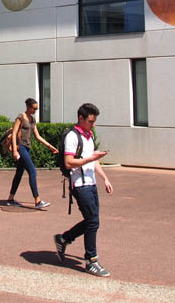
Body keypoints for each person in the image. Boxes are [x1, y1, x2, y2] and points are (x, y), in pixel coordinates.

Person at [54, 103, 113, 277]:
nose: (93, 124)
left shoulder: (89, 135)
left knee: (91, 221)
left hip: (91, 184)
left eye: (94, 121)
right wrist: (90, 158)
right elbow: (68, 162)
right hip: (79, 185)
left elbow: (94, 161)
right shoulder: (72, 136)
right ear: (81, 118)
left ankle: (63, 239)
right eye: (90, 121)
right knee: (93, 221)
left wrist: (105, 178)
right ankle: (91, 260)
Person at [7, 97, 58, 209]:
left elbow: (38, 136)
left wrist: (50, 147)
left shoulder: (32, 120)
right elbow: (14, 133)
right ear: (28, 107)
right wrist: (15, 150)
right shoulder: (20, 117)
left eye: (37, 109)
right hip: (21, 148)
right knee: (32, 171)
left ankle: (10, 199)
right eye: (34, 108)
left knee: (19, 173)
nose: (36, 111)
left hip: (27, 148)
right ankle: (37, 201)